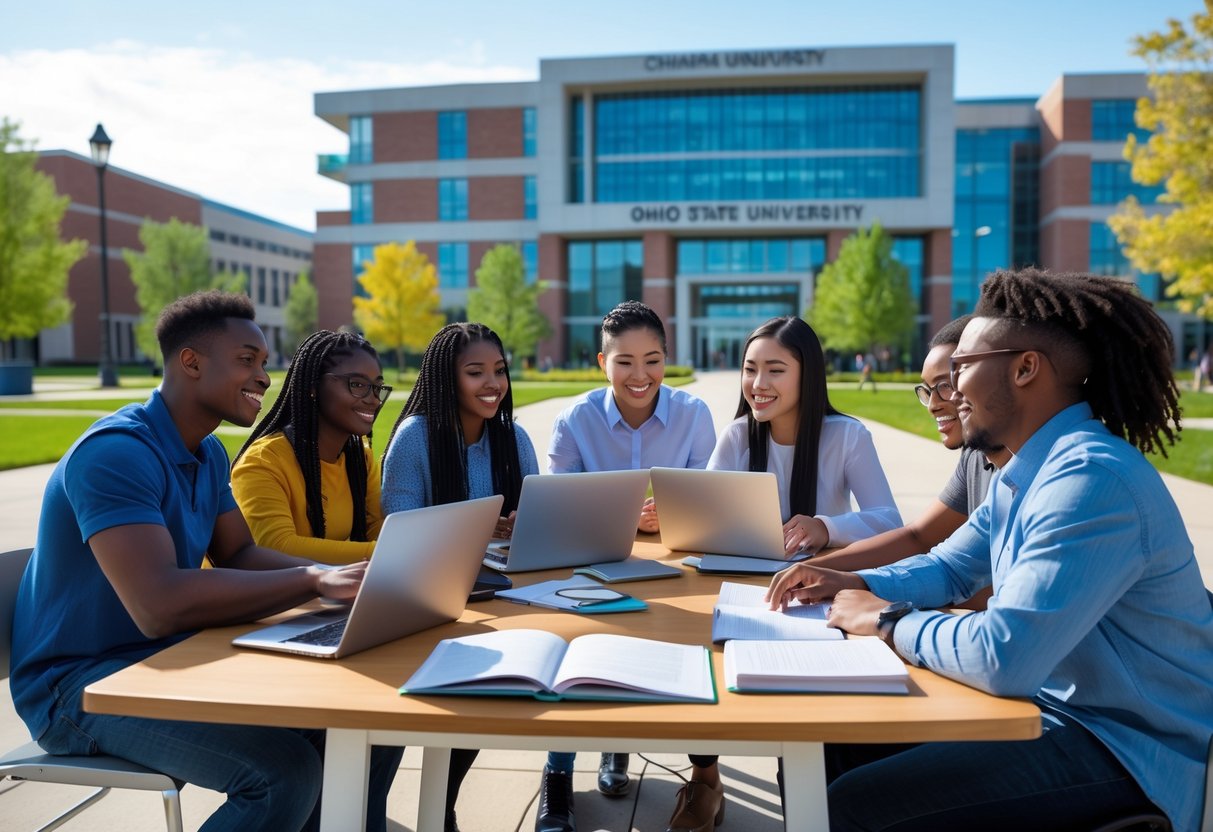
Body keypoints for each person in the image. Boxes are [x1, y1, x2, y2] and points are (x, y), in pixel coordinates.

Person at [767, 269, 1213, 832]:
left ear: (1026, 368)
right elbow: (950, 565)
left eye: (961, 370)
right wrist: (857, 583)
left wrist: (885, 619)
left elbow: (1004, 658)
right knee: (826, 746)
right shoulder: (1023, 469)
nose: (949, 393)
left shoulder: (1090, 479)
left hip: (1123, 745)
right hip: (1046, 710)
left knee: (852, 805)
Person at [9, 291, 402, 832]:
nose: (265, 377)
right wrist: (313, 579)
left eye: (265, 363)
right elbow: (159, 606)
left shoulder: (209, 452)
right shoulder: (114, 454)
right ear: (190, 362)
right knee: (280, 774)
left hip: (163, 659)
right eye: (248, 360)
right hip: (76, 686)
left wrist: (341, 580)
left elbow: (237, 552)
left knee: (362, 728)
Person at [667, 315, 902, 832]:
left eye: (775, 370)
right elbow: (701, 516)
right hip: (739, 591)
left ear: (807, 374)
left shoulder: (848, 436)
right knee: (694, 663)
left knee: (798, 726)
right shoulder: (736, 436)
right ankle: (704, 781)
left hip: (814, 598)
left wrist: (827, 525)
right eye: (751, 369)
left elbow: (891, 522)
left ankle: (802, 803)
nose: (759, 384)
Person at [538, 300, 716, 832]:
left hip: (675, 565)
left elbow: (708, 499)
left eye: (653, 359)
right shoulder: (574, 419)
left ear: (667, 357)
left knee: (686, 642)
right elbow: (557, 505)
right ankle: (557, 776)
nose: (640, 376)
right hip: (594, 564)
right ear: (602, 362)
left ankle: (624, 747)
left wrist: (673, 513)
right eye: (625, 362)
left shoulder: (693, 415)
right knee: (576, 647)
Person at [380, 321, 539, 828]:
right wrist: (472, 528)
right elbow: (400, 531)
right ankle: (438, 809)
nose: (492, 383)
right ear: (447, 378)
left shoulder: (513, 436)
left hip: (504, 593)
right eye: (476, 373)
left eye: (499, 371)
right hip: (435, 599)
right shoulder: (415, 438)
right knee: (477, 692)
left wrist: (521, 525)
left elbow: (542, 516)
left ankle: (440, 803)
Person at [811, 316, 1010, 595]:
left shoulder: (1045, 468)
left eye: (945, 385)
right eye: (927, 391)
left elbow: (992, 588)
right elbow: (918, 537)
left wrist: (872, 596)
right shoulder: (976, 456)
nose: (932, 405)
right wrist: (822, 568)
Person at [231, 329, 389, 564]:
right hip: (252, 597)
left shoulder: (360, 459)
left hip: (319, 595)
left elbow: (379, 530)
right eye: (357, 384)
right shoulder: (263, 461)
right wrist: (384, 554)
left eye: (377, 387)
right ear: (313, 386)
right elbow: (276, 546)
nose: (373, 399)